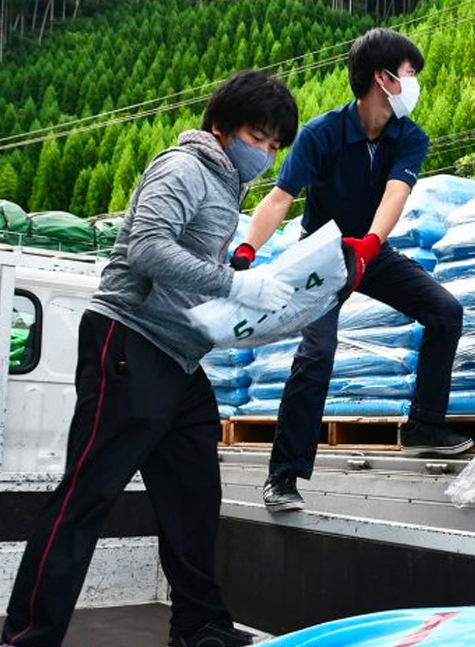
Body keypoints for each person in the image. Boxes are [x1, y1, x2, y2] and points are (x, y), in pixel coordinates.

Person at [1, 70, 299, 647]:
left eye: (272, 145)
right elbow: (148, 247)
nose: (262, 152)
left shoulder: (226, 184)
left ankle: (199, 627)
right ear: (222, 126)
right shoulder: (183, 167)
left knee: (193, 499)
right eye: (256, 137)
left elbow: (196, 276)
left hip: (181, 360)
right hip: (129, 342)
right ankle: (27, 638)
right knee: (87, 495)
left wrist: (246, 301)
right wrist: (233, 285)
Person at [233, 27, 469, 515]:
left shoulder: (409, 137)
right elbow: (280, 197)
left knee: (445, 311)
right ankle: (284, 476)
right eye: (409, 74)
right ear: (382, 79)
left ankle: (424, 424)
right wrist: (247, 249)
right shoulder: (322, 133)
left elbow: (396, 194)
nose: (415, 82)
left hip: (370, 248)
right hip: (321, 254)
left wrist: (370, 244)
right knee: (317, 353)